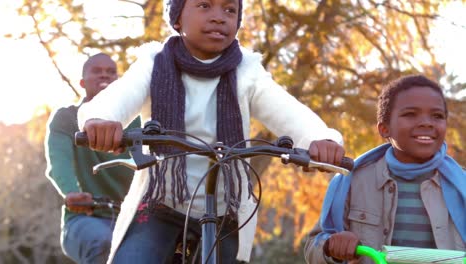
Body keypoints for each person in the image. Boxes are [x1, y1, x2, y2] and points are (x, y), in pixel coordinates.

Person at [77, 0, 347, 263]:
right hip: (161, 201)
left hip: (223, 210)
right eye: (205, 6)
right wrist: (101, 120)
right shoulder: (154, 64)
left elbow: (288, 111)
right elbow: (119, 96)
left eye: (230, 10)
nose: (219, 16)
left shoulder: (247, 72)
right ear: (179, 16)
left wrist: (319, 139)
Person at [304, 74, 466, 264]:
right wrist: (330, 247)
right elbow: (312, 249)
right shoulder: (352, 182)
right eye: (410, 114)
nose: (427, 123)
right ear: (384, 129)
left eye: (437, 116)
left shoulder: (461, 185)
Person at [44, 53, 141, 264]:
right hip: (87, 217)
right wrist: (72, 192)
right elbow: (59, 162)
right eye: (96, 71)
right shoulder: (66, 118)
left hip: (135, 218)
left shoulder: (137, 122)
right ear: (82, 82)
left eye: (111, 72)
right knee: (104, 242)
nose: (104, 75)